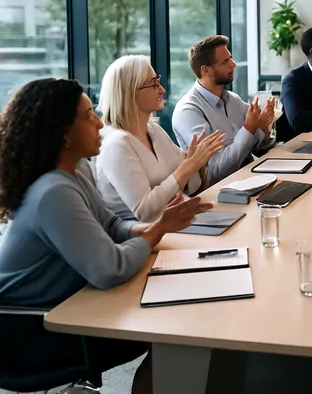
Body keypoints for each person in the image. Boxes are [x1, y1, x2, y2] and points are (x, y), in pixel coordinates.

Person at [0, 78, 211, 392]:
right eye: (88, 116)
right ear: (62, 134)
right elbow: (108, 269)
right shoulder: (53, 191)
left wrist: (152, 227)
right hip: (30, 334)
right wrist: (156, 231)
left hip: (68, 304)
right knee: (172, 329)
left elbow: (111, 224)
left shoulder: (77, 169)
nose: (100, 123)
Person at [96, 55, 226, 222]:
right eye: (154, 84)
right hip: (144, 240)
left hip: (176, 225)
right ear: (131, 92)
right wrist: (188, 167)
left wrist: (197, 163)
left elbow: (190, 186)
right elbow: (145, 211)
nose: (162, 89)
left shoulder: (154, 130)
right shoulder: (116, 145)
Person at [172, 35, 275, 186]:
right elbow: (215, 172)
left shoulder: (234, 100)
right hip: (221, 193)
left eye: (231, 58)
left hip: (252, 181)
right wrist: (249, 128)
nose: (233, 65)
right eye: (225, 62)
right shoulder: (188, 112)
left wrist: (263, 128)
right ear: (205, 70)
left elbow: (259, 150)